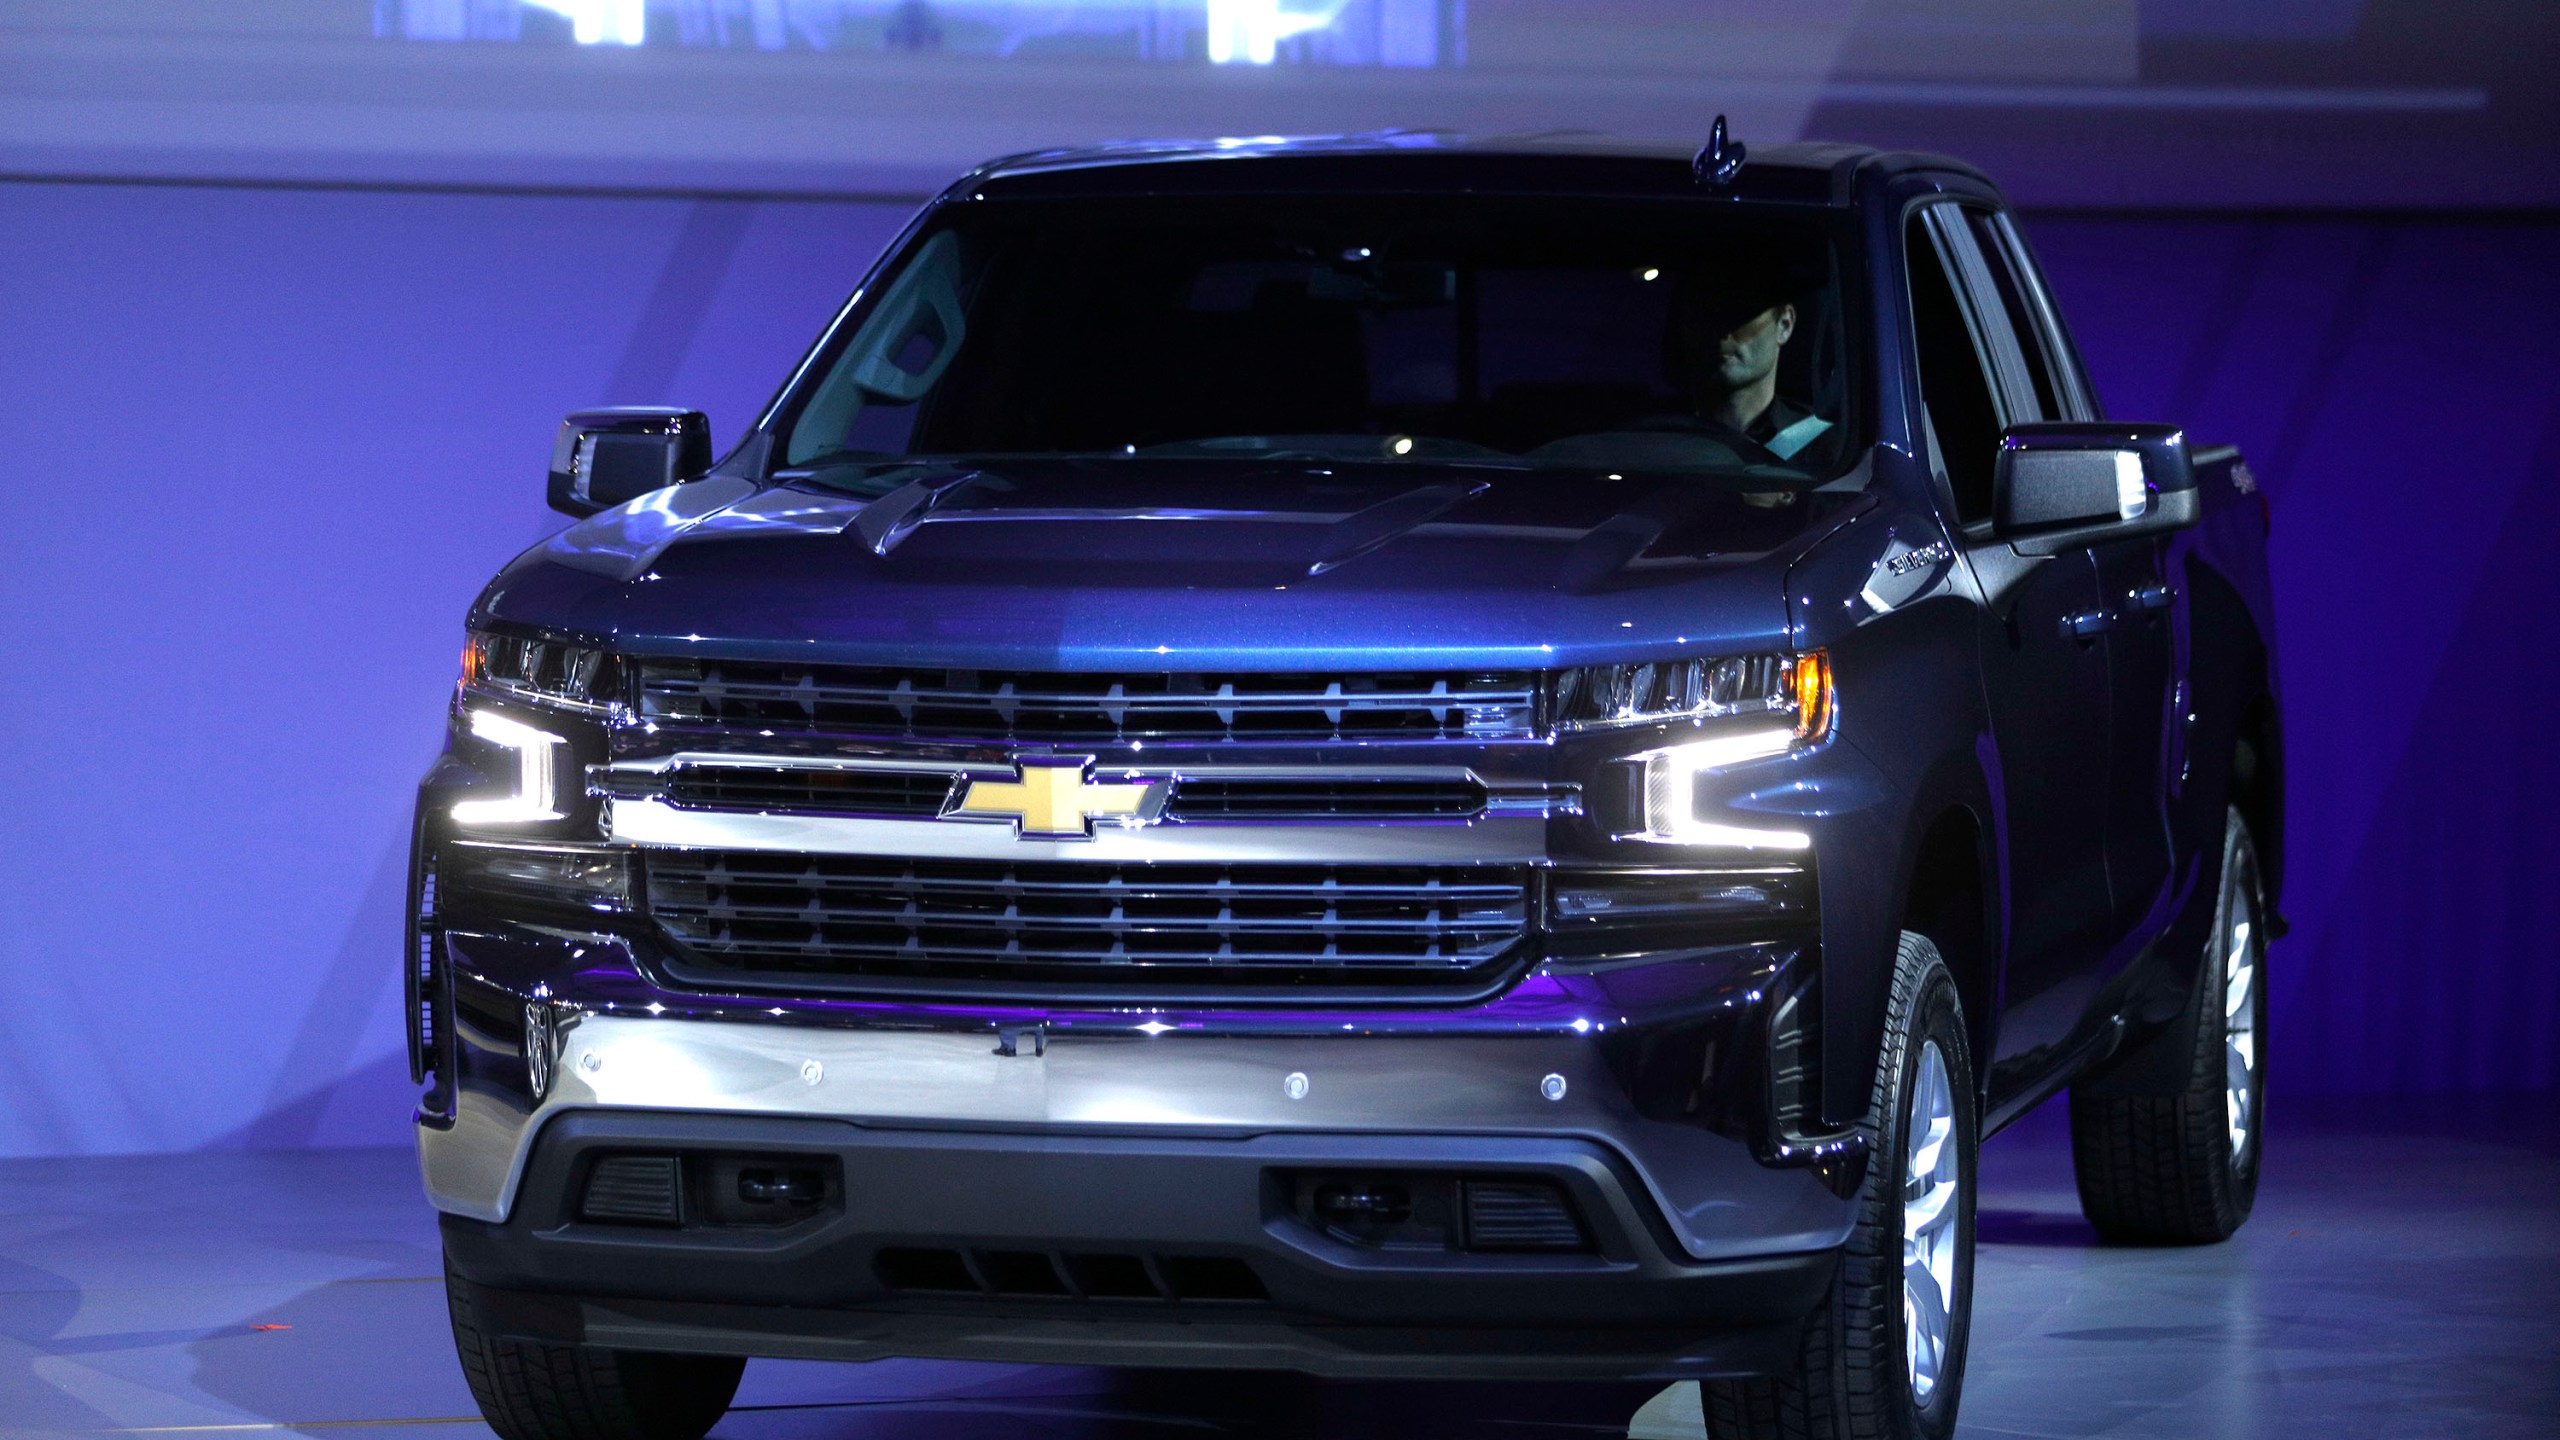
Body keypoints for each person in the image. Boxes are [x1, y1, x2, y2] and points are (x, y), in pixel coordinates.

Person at [1666, 270, 1837, 468]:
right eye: (1703, 313)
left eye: (1739, 311)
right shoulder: (1657, 442)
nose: (1720, 330)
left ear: (1784, 324)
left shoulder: (1828, 448)